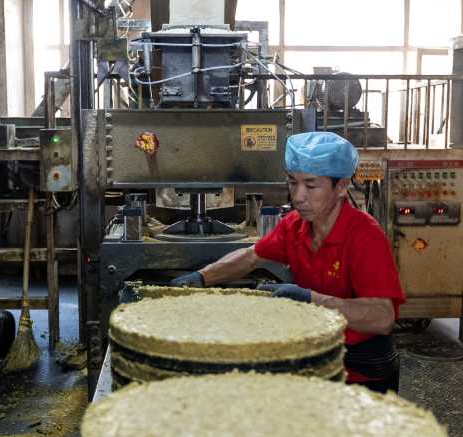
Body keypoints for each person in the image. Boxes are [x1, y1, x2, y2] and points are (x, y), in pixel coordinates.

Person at [170, 131, 405, 393]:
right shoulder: (296, 226)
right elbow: (251, 257)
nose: (298, 196)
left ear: (341, 187)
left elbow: (382, 317)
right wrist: (202, 277)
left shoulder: (365, 237)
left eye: (311, 185)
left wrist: (312, 300)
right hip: (317, 365)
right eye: (293, 183)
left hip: (363, 377)